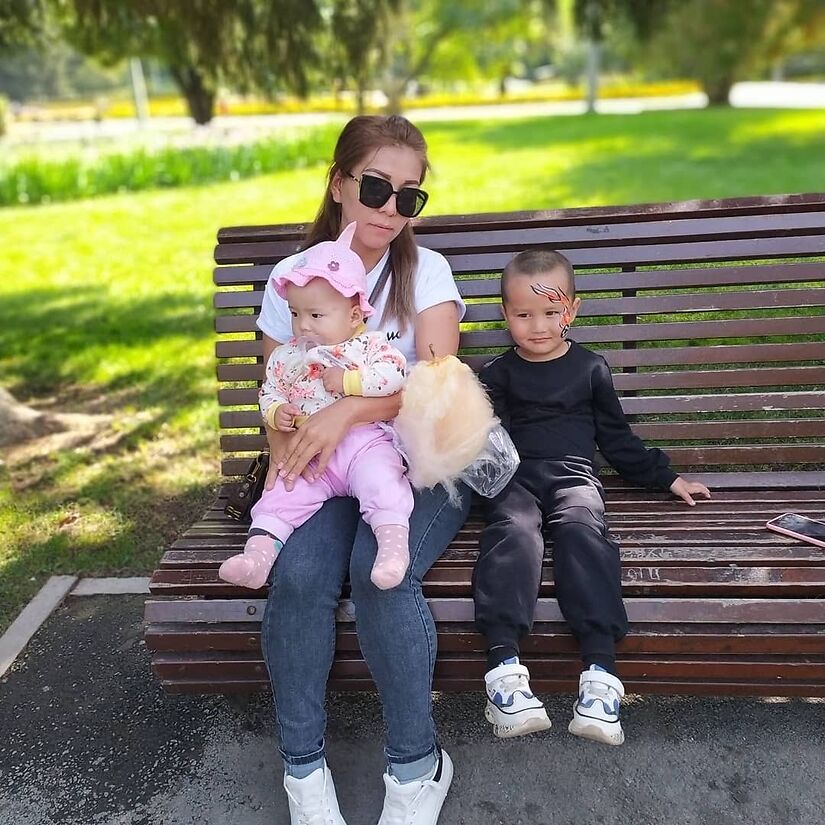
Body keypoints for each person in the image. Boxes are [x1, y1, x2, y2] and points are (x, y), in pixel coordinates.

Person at [255, 115, 470, 825]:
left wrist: (345, 413)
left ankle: (415, 767)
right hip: (329, 469)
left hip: (426, 459)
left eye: (410, 195)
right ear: (339, 183)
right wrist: (289, 445)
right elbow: (278, 388)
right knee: (300, 575)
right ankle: (303, 773)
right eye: (376, 186)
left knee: (382, 570)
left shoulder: (425, 271)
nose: (390, 207)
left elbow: (434, 390)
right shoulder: (296, 279)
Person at [473, 249, 711, 747]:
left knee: (584, 531)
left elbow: (617, 438)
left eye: (551, 312)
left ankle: (600, 678)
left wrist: (665, 478)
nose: (538, 326)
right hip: (516, 479)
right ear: (505, 314)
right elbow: (485, 442)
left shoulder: (590, 369)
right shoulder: (499, 374)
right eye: (523, 315)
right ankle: (504, 671)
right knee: (513, 532)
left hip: (575, 479)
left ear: (572, 311)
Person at [219, 222, 413, 592]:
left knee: (381, 482)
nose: (302, 326)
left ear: (354, 316)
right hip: (310, 453)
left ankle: (392, 550)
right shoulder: (287, 356)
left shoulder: (369, 348)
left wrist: (349, 383)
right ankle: (257, 557)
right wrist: (276, 412)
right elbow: (270, 389)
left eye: (316, 316)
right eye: (295, 314)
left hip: (363, 444)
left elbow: (394, 376)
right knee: (282, 493)